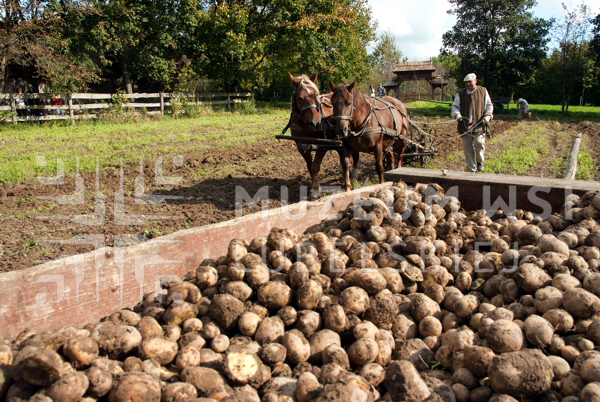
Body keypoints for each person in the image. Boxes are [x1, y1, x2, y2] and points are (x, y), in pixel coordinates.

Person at [450, 73, 493, 172]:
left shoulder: (483, 91)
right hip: (465, 126)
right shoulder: (460, 93)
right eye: (466, 82)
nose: (468, 84)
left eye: (470, 81)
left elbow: (489, 105)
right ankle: (471, 169)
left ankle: (480, 161)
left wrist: (487, 116)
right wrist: (457, 115)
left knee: (479, 143)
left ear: (475, 81)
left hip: (479, 124)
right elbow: (455, 106)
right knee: (467, 147)